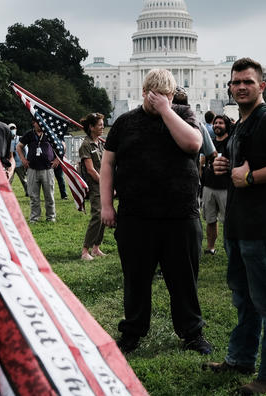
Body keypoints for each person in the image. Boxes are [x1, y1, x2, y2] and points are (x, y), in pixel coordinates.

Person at [204, 58, 266, 394]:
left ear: (262, 86)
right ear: (230, 87)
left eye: (248, 81)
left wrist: (251, 177)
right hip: (239, 225)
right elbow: (240, 167)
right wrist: (225, 164)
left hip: (263, 225)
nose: (241, 87)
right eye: (236, 82)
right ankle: (241, 358)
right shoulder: (241, 125)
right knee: (244, 300)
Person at [100, 68, 212, 355]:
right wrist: (105, 205)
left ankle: (191, 332)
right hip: (136, 215)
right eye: (153, 95)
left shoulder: (185, 116)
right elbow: (107, 165)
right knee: (136, 279)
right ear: (143, 92)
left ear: (172, 95)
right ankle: (132, 332)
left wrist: (167, 111)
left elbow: (193, 144)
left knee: (184, 279)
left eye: (164, 95)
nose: (158, 100)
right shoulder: (125, 123)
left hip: (180, 213)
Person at [16, 116, 59, 223]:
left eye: (41, 123)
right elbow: (19, 146)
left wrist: (57, 159)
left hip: (47, 169)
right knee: (33, 196)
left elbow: (61, 145)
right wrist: (23, 159)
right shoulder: (29, 134)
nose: (39, 125)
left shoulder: (49, 133)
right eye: (37, 123)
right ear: (33, 123)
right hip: (32, 169)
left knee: (49, 195)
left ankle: (51, 217)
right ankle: (34, 218)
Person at [201, 114, 231, 255]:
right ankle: (210, 248)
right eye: (215, 123)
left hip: (225, 186)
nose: (217, 125)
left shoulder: (230, 143)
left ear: (226, 126)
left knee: (228, 221)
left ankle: (230, 247)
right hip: (209, 186)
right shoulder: (210, 142)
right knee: (210, 219)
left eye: (221, 123)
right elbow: (203, 160)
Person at [79, 112, 106, 261]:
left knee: (104, 215)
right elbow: (90, 169)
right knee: (97, 215)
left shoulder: (99, 143)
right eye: (100, 125)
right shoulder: (86, 145)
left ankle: (96, 247)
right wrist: (104, 183)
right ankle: (85, 250)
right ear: (91, 127)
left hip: (103, 183)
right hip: (95, 185)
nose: (102, 127)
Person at [8, 123, 28, 196]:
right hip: (10, 164)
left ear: (16, 129)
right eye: (10, 128)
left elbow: (26, 150)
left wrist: (25, 160)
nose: (12, 130)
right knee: (9, 179)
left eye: (13, 128)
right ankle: (7, 193)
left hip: (20, 163)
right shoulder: (6, 139)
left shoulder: (20, 139)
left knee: (23, 180)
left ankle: (28, 192)